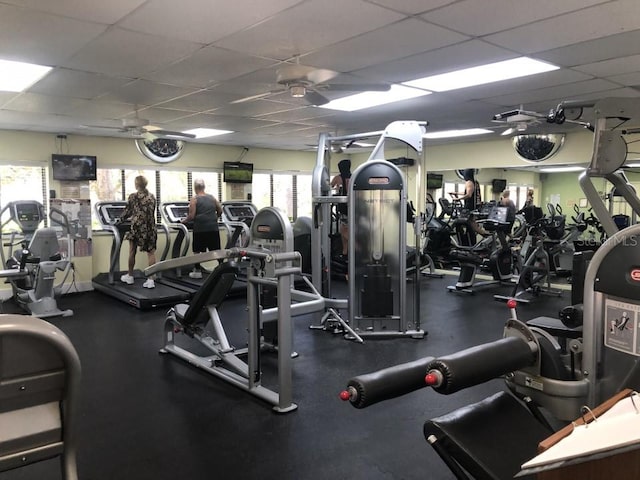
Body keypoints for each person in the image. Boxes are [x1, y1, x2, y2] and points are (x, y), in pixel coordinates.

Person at [119, 175, 157, 288]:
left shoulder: (133, 197)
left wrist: (119, 220)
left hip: (137, 227)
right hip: (150, 227)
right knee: (151, 253)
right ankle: (151, 280)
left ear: (136, 185)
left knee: (132, 251)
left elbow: (128, 212)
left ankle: (130, 276)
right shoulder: (152, 197)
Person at [181, 178, 223, 278]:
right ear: (204, 187)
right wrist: (215, 218)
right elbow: (220, 210)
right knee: (216, 250)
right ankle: (222, 268)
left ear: (195, 188)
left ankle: (197, 271)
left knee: (197, 251)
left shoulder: (194, 199)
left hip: (200, 229)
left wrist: (183, 221)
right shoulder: (212, 198)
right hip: (213, 228)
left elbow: (191, 216)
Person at [331, 159, 351, 259]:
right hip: (354, 208)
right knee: (346, 230)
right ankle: (345, 252)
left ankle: (347, 251)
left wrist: (337, 188)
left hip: (344, 209)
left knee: (344, 231)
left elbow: (328, 186)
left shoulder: (338, 178)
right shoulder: (354, 177)